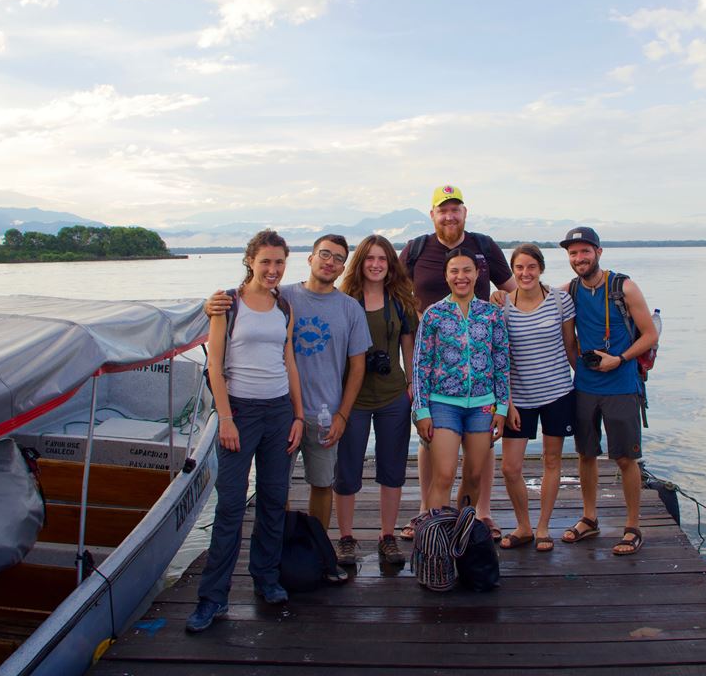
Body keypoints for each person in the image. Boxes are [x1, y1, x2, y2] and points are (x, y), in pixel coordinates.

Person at [205, 235, 372, 531]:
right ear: (310, 259)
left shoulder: (350, 309)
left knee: (322, 483)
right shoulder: (283, 297)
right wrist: (210, 305)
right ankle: (278, 546)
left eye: (338, 258)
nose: (330, 262)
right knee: (275, 488)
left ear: (343, 268)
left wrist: (342, 415)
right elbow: (248, 298)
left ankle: (316, 547)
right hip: (280, 411)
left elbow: (358, 368)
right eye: (324, 254)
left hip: (324, 412)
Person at [187, 229, 305, 632]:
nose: (272, 270)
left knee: (274, 501)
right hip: (240, 412)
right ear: (250, 261)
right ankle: (212, 597)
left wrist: (299, 416)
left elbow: (289, 363)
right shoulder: (228, 305)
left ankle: (266, 578)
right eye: (266, 261)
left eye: (279, 263)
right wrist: (226, 418)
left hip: (279, 413)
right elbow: (214, 366)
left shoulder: (283, 306)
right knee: (231, 507)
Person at [400, 185, 515, 541]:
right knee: (438, 460)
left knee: (477, 467)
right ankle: (430, 523)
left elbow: (512, 290)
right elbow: (390, 287)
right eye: (442, 210)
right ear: (432, 214)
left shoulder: (484, 247)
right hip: (437, 382)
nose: (449, 216)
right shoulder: (417, 249)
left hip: (480, 396)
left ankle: (472, 522)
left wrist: (501, 402)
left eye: (455, 209)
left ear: (465, 212)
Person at [557, 226, 658, 556]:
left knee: (625, 457)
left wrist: (619, 359)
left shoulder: (623, 287)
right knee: (586, 454)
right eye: (573, 253)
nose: (579, 258)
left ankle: (632, 526)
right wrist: (503, 295)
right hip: (585, 386)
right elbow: (535, 296)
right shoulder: (570, 290)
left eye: (585, 251)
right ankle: (589, 518)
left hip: (622, 385)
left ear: (598, 252)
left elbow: (649, 335)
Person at [332, 235, 419, 566]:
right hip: (351, 397)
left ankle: (387, 537)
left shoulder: (399, 299)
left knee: (392, 468)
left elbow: (408, 346)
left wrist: (412, 384)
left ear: (391, 263)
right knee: (347, 469)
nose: (376, 264)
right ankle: (346, 538)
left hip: (392, 395)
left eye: (383, 259)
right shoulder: (343, 299)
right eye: (370, 258)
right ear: (359, 262)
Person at [412, 247, 510, 514]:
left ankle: (462, 535)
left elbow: (501, 363)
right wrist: (421, 411)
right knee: (443, 475)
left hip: (482, 406)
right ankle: (435, 541)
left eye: (467, 270)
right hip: (443, 405)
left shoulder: (491, 314)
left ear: (478, 274)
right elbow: (420, 365)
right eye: (454, 271)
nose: (461, 277)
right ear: (446, 276)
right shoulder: (434, 314)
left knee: (474, 476)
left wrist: (501, 408)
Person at [497, 244, 578, 553]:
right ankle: (524, 526)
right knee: (510, 467)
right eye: (519, 268)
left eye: (531, 267)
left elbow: (571, 347)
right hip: (520, 398)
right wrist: (507, 402)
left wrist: (590, 380)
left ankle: (543, 526)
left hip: (558, 393)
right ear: (513, 271)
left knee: (552, 460)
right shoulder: (503, 305)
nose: (525, 273)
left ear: (540, 268)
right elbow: (501, 358)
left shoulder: (560, 300)